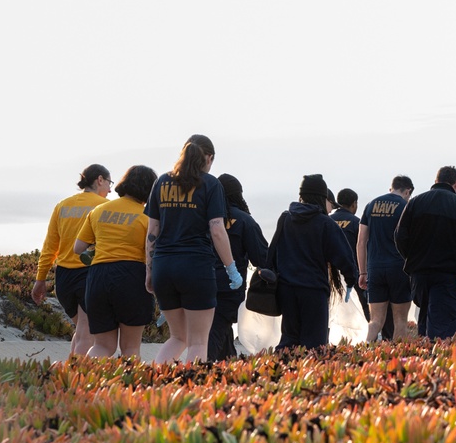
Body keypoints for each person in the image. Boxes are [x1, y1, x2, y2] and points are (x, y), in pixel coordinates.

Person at [145, 135, 240, 364]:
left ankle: (155, 380)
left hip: (164, 267)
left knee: (178, 337)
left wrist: (149, 270)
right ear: (208, 157)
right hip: (195, 268)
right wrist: (231, 269)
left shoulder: (161, 182)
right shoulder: (210, 183)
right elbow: (217, 229)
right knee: (198, 341)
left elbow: (152, 231)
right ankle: (192, 389)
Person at [394, 166, 456, 339]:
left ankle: (422, 357)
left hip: (419, 273)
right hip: (446, 273)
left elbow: (399, 235)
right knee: (440, 322)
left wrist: (411, 259)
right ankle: (436, 359)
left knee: (424, 314)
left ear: (436, 180)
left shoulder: (416, 202)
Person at [73, 165, 155, 358]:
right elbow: (152, 251)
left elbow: (78, 248)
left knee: (102, 346)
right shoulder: (148, 216)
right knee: (130, 348)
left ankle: (84, 381)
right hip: (132, 276)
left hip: (98, 277)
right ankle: (129, 387)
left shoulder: (98, 210)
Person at [267, 174, 357, 350]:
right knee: (314, 343)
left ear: (301, 195)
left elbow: (272, 253)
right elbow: (343, 256)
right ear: (322, 197)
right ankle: (310, 375)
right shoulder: (325, 223)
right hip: (313, 290)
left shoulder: (285, 219)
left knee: (289, 339)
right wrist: (351, 279)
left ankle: (282, 374)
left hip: (286, 289)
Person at [33, 164, 112, 356]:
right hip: (88, 274)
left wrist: (40, 279)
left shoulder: (62, 206)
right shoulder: (104, 207)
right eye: (110, 183)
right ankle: (75, 379)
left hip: (64, 278)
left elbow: (50, 247)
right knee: (87, 335)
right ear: (99, 180)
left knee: (81, 331)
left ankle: (69, 373)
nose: (110, 189)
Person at [207, 174, 269, 361]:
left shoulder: (203, 218)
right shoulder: (244, 221)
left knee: (217, 329)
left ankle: (227, 366)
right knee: (215, 332)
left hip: (201, 282)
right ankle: (200, 369)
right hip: (229, 287)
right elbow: (262, 257)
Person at [358, 176, 415, 341]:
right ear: (407, 191)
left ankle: (364, 351)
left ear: (392, 188)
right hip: (399, 268)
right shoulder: (405, 206)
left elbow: (361, 241)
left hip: (375, 269)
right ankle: (398, 359)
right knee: (400, 321)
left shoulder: (371, 205)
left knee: (375, 321)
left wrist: (363, 272)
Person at [331, 188, 371, 322]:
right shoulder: (356, 223)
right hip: (353, 272)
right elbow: (364, 246)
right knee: (363, 305)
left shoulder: (328, 221)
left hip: (330, 273)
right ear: (354, 203)